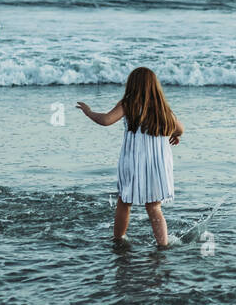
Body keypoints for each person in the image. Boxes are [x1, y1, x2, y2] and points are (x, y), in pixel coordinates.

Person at [77, 67, 184, 245]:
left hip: (134, 161)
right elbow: (180, 129)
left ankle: (119, 239)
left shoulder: (129, 103)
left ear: (132, 85)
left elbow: (105, 120)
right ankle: (162, 244)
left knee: (125, 201)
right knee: (154, 206)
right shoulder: (162, 108)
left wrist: (88, 112)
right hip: (158, 163)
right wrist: (174, 135)